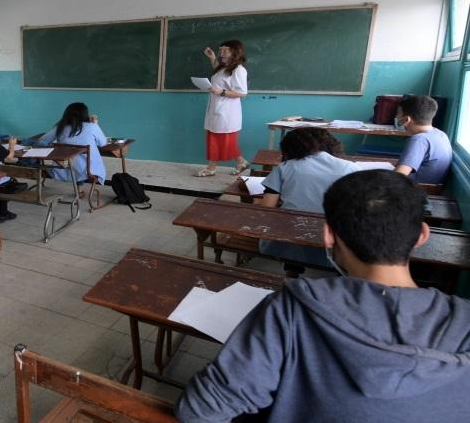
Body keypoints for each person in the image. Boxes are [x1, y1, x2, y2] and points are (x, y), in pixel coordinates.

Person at [176, 169, 470, 423]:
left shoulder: (293, 308)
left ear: (328, 235)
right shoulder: (464, 324)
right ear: (422, 235)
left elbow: (201, 410)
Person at [258, 127, 360, 275]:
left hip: (287, 243)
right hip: (333, 243)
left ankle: (292, 272)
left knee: (288, 223)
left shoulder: (285, 167)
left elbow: (266, 208)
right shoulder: (351, 168)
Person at [195, 40, 249, 177]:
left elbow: (242, 93)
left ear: (235, 52)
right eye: (221, 50)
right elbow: (220, 75)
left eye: (226, 50)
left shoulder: (239, 70)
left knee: (223, 140)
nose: (222, 53)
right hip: (216, 109)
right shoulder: (224, 67)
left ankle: (211, 168)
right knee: (217, 138)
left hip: (227, 112)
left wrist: (222, 92)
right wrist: (212, 58)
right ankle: (241, 163)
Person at [36, 102, 108, 185]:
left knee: (29, 143)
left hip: (64, 169)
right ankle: (79, 188)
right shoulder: (92, 126)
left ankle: (28, 167)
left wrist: (53, 146)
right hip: (89, 171)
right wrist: (95, 124)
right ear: (85, 114)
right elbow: (103, 143)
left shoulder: (60, 127)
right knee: (81, 160)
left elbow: (41, 142)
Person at [394, 94, 452, 185]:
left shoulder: (419, 140)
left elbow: (397, 177)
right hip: (433, 187)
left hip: (415, 190)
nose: (396, 117)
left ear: (406, 120)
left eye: (398, 114)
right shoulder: (441, 134)